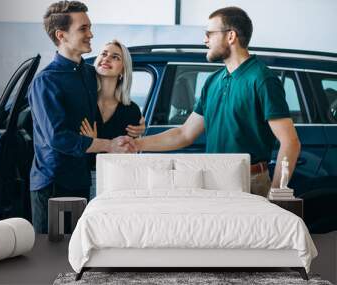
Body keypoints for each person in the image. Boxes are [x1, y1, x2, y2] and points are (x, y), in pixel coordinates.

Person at [125, 6, 301, 198]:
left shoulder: (262, 79)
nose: (204, 40)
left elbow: (290, 142)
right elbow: (184, 134)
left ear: (231, 36)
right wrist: (137, 145)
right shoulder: (213, 81)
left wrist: (276, 193)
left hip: (251, 182)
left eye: (209, 33)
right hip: (214, 180)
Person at [28, 1, 132, 234]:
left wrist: (136, 123)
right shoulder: (46, 81)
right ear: (61, 35)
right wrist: (107, 145)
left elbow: (109, 99)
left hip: (80, 181)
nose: (91, 34)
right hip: (52, 185)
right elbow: (58, 138)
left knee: (78, 252)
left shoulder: (87, 73)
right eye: (83, 29)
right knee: (52, 258)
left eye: (90, 27)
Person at [79, 40, 145, 198]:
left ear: (123, 70)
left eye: (115, 57)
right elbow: (72, 144)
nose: (106, 59)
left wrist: (93, 143)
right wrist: (90, 144)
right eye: (104, 54)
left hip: (115, 182)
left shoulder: (131, 110)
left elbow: (128, 156)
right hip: (81, 179)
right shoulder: (82, 103)